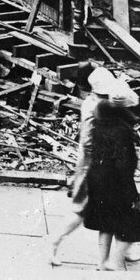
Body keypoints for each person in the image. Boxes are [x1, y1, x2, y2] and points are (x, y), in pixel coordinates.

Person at [79, 68, 140, 270]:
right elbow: (124, 166)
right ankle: (115, 262)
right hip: (116, 184)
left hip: (98, 177)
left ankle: (102, 262)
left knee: (105, 224)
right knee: (132, 227)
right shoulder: (123, 131)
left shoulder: (99, 121)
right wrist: (133, 195)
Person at [49, 61, 99, 265]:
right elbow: (88, 143)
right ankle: (54, 243)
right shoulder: (94, 105)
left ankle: (126, 245)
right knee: (80, 211)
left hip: (92, 164)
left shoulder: (92, 102)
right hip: (92, 166)